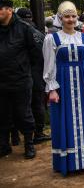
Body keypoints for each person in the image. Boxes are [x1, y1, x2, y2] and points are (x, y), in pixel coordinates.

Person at [43, 1, 84, 175]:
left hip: (82, 83)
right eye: (67, 16)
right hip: (63, 84)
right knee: (63, 119)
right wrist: (52, 88)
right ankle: (67, 162)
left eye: (73, 16)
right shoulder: (52, 38)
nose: (71, 19)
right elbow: (50, 65)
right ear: (60, 18)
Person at [0, 0, 40, 159]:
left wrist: (23, 68)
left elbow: (35, 54)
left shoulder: (24, 28)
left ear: (9, 10)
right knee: (2, 114)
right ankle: (4, 145)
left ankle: (29, 144)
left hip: (20, 79)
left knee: (23, 113)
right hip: (1, 81)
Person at [16, 8, 51, 144]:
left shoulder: (19, 32)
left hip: (24, 73)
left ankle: (24, 135)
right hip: (37, 73)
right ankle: (38, 132)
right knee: (37, 104)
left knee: (26, 105)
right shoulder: (37, 32)